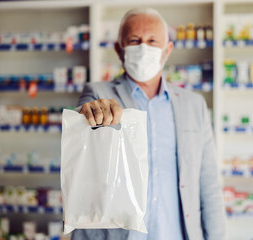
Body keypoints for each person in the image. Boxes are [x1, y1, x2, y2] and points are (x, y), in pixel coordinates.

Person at [72, 7, 226, 240]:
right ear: (119, 49)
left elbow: (210, 186)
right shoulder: (97, 93)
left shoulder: (194, 105)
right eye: (134, 41)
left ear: (167, 50)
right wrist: (89, 114)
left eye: (153, 40)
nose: (144, 48)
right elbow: (78, 131)